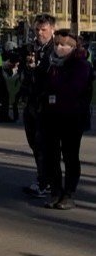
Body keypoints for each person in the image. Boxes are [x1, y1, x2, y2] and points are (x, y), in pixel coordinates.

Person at [38, 30, 91, 210]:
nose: (59, 48)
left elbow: (76, 88)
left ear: (72, 47)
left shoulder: (81, 65)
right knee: (51, 156)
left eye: (64, 45)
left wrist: (54, 86)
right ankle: (55, 191)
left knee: (70, 156)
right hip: (50, 116)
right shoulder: (50, 63)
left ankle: (69, 193)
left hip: (72, 117)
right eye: (57, 44)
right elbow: (41, 85)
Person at [11, 14, 56, 199]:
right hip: (31, 101)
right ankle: (43, 179)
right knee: (34, 143)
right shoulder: (31, 48)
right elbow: (18, 65)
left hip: (48, 103)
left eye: (43, 29)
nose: (39, 33)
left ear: (52, 29)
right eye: (37, 29)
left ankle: (47, 182)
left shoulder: (56, 48)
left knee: (44, 143)